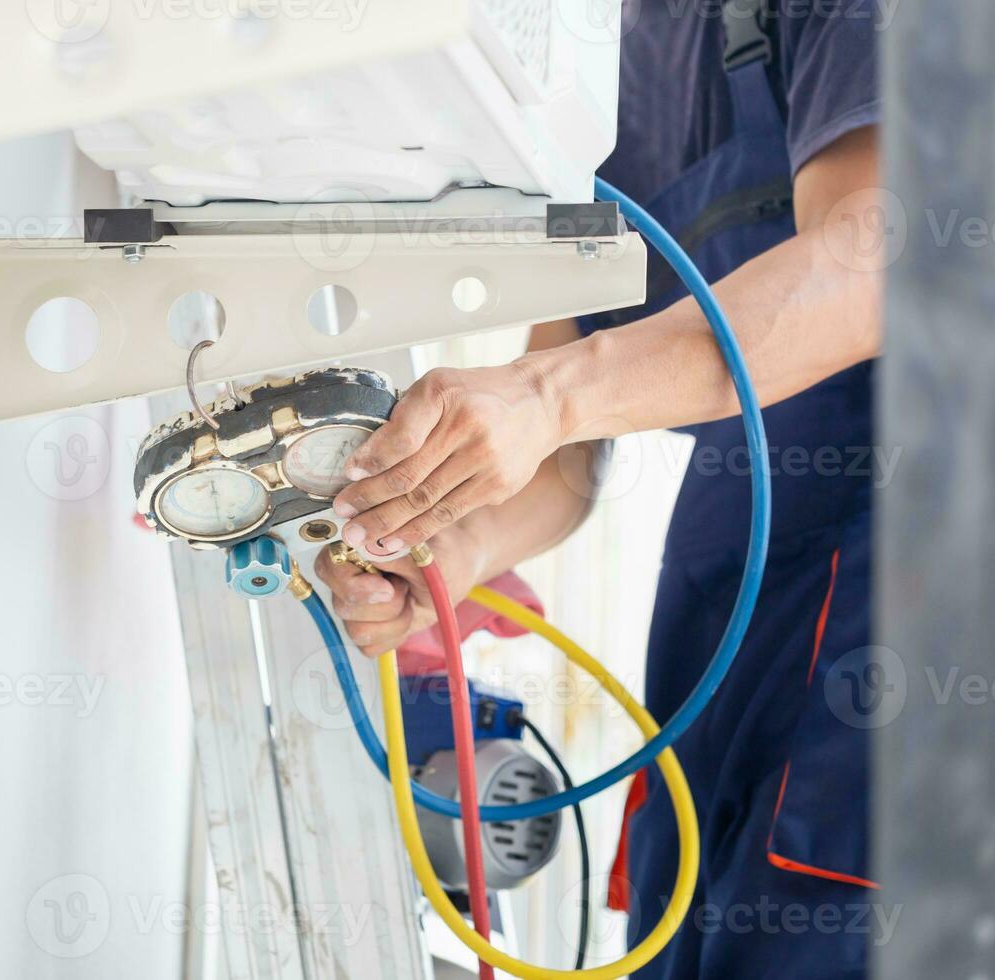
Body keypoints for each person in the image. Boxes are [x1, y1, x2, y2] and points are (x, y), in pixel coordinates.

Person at [313, 0, 885, 976]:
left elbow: (870, 257)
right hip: (735, 558)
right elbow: (566, 454)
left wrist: (542, 397)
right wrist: (455, 544)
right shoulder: (590, 61)